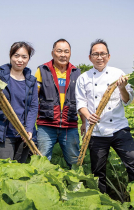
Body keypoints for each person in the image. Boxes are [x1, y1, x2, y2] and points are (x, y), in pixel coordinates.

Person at [75, 39, 134, 193]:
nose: (100, 57)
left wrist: (122, 88)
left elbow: (127, 100)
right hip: (97, 130)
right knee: (98, 171)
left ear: (109, 56)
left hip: (119, 127)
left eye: (103, 54)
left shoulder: (118, 74)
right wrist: (88, 116)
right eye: (96, 54)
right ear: (90, 57)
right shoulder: (83, 78)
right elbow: (80, 102)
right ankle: (102, 199)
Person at [0, 42, 38, 163]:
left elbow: (33, 106)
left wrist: (29, 129)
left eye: (24, 57)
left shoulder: (31, 81)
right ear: (10, 56)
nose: (20, 60)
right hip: (4, 133)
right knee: (4, 170)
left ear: (28, 59)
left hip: (23, 135)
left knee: (21, 172)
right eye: (16, 56)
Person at [35, 39, 83, 168]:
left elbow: (82, 101)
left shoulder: (76, 73)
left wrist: (84, 122)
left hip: (69, 125)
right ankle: (41, 185)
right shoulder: (42, 70)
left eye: (66, 51)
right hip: (46, 125)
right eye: (59, 51)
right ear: (52, 53)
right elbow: (34, 99)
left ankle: (75, 186)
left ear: (70, 53)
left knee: (74, 161)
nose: (63, 55)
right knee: (41, 161)